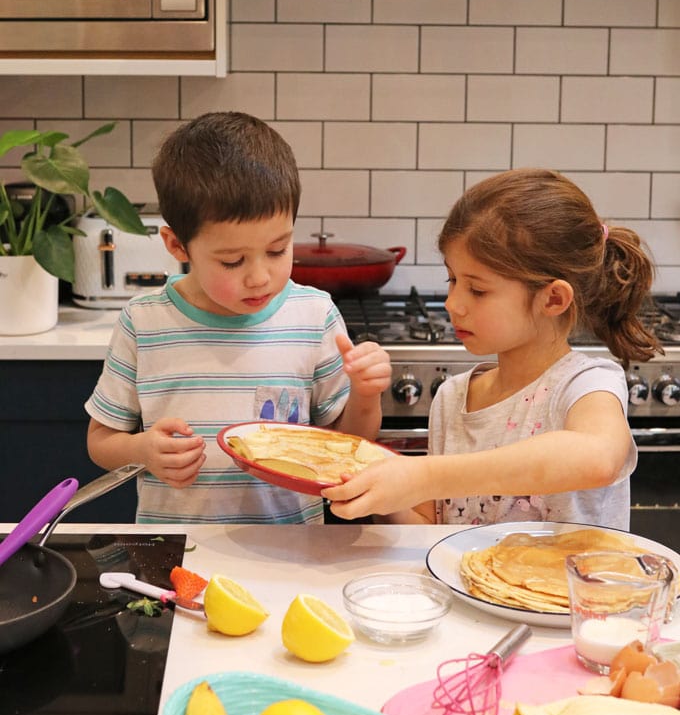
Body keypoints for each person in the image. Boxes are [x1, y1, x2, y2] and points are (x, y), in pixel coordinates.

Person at [85, 111, 391, 525]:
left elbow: (352, 442)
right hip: (177, 552)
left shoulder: (313, 315)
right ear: (177, 245)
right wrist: (142, 451)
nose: (260, 277)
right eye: (232, 261)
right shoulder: (145, 322)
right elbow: (100, 440)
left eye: (278, 249)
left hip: (292, 547)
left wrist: (365, 394)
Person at [324, 168, 662, 528]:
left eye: (478, 290)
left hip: (570, 586)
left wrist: (424, 475)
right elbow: (430, 533)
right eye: (452, 280)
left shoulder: (585, 386)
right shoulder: (453, 398)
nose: (453, 303)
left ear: (553, 299)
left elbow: (598, 457)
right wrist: (379, 485)